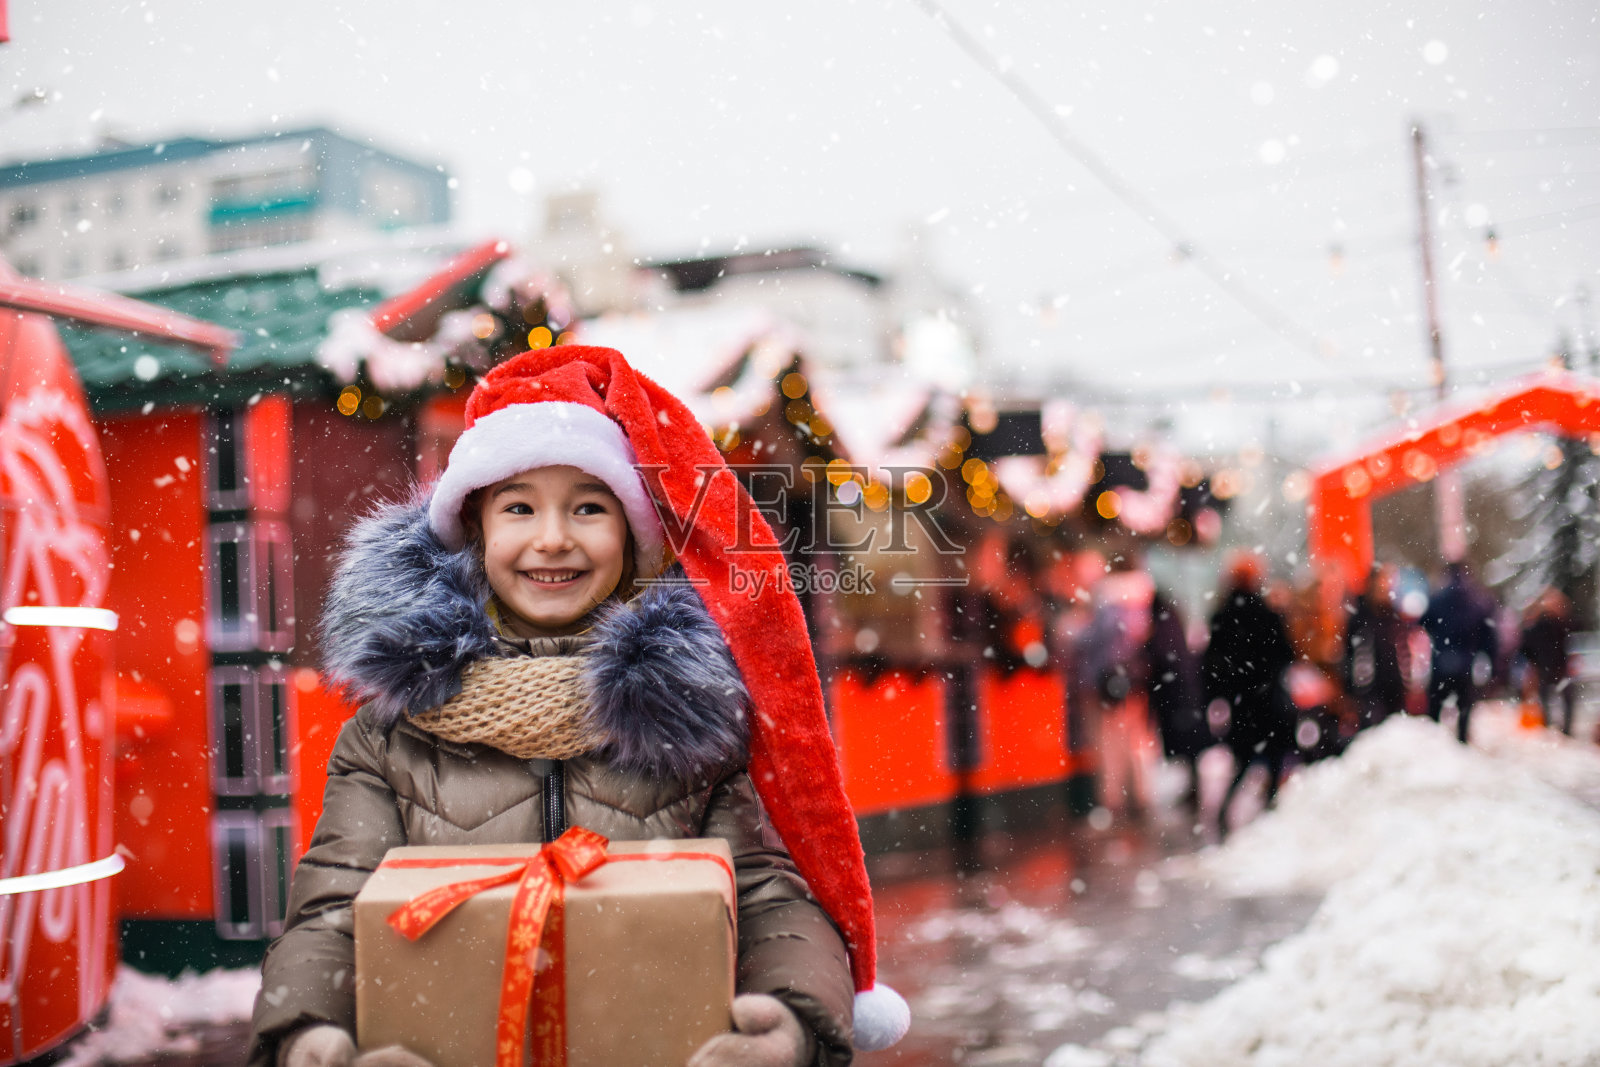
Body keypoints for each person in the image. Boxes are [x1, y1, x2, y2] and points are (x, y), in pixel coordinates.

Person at [248, 347, 908, 1067]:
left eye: (589, 507)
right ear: (475, 530)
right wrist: (307, 1033)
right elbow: (332, 908)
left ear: (632, 537)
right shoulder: (392, 734)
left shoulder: (693, 722)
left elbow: (771, 899)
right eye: (519, 507)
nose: (552, 537)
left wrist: (790, 1021)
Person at [1201, 553, 1296, 832]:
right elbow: (1285, 654)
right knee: (1274, 756)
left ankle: (1224, 812)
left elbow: (1212, 665)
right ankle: (1270, 809)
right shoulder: (1267, 613)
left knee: (1242, 761)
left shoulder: (1221, 616)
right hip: (1267, 699)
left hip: (1241, 702)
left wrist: (1221, 695)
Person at [1077, 561, 1158, 819]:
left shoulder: (1110, 609)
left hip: (1111, 684)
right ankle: (1139, 793)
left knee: (1111, 742)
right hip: (1134, 683)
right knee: (1134, 740)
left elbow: (1097, 643)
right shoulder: (1141, 607)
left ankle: (1113, 798)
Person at [1420, 561, 1497, 744]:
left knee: (1435, 710)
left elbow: (1423, 623)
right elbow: (1489, 636)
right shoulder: (1477, 601)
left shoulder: (1437, 599)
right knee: (1464, 709)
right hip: (1465, 665)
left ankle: (1434, 745)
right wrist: (1488, 661)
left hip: (1441, 663)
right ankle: (1461, 741)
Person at [1146, 590, 1208, 815]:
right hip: (1184, 696)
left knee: (1187, 747)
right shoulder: (1172, 621)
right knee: (1190, 748)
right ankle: (1194, 789)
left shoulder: (1162, 625)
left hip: (1176, 698)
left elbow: (1163, 656)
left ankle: (1195, 791)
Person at [1344, 566, 1406, 730]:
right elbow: (1352, 656)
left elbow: (1400, 652)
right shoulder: (1360, 619)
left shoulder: (1393, 616)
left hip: (1392, 688)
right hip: (1367, 691)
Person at [1521, 588, 1576, 735]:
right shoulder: (1546, 624)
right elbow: (1527, 645)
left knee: (1558, 698)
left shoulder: (1559, 623)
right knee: (1550, 698)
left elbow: (1527, 645)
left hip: (1553, 666)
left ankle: (1559, 728)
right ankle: (1551, 727)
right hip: (1547, 667)